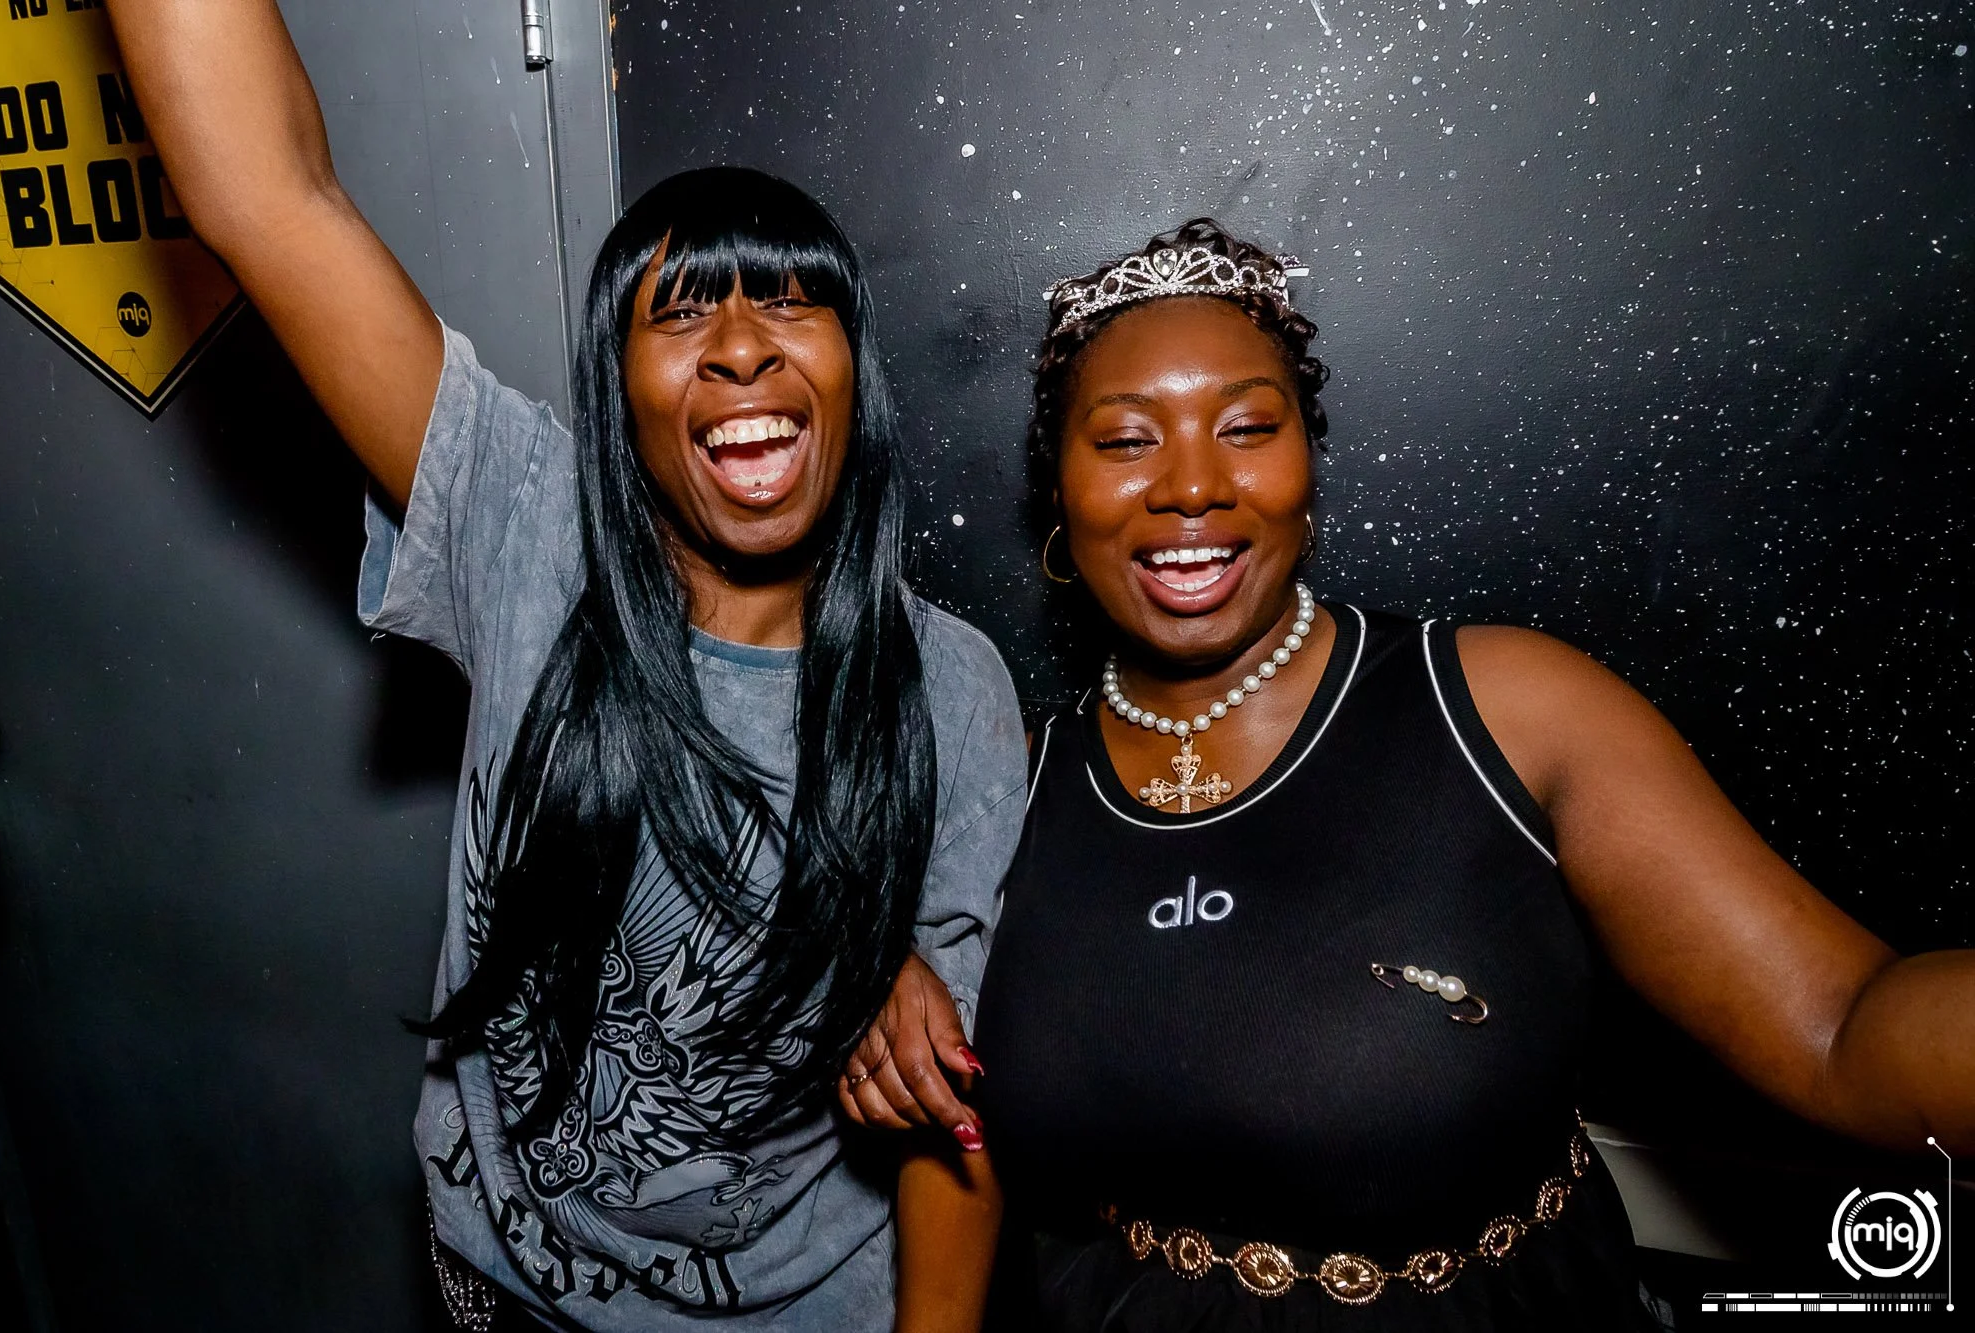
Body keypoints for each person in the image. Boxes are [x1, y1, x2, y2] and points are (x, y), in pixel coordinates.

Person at [847, 220, 1975, 1330]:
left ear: (1306, 462)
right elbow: (951, 1135)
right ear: (1059, 493)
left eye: (1247, 427)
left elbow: (1842, 1032)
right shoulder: (1005, 789)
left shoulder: (1509, 706)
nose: (1191, 485)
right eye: (1126, 439)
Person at [104, 4, 1021, 1329]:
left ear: (850, 368)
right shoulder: (527, 526)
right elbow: (269, 194)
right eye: (680, 313)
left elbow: (954, 1119)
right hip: (507, 1284)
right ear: (617, 393)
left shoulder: (953, 691)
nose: (742, 344)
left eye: (789, 300)